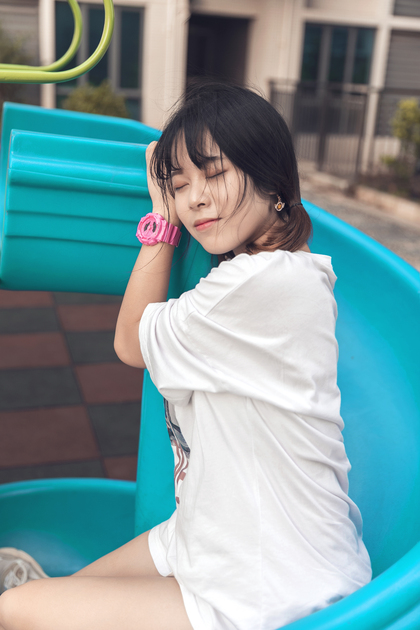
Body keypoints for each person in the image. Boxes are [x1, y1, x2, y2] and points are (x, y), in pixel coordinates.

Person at [0, 82, 372, 630]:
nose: (193, 198)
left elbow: (129, 342)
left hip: (272, 583)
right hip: (214, 531)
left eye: (213, 174)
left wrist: (161, 218)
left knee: (14, 610)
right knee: (62, 594)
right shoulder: (284, 271)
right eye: (177, 185)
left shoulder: (263, 283)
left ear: (271, 176)